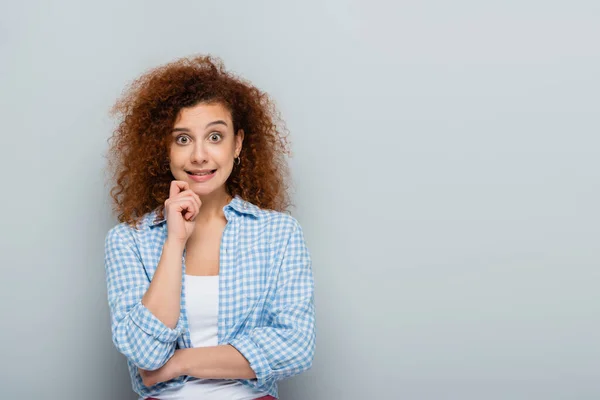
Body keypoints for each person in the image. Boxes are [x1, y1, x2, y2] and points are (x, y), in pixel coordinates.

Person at [103, 54, 315, 400]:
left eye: (215, 137)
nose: (199, 156)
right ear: (165, 150)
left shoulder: (280, 234)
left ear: (238, 144)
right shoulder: (129, 240)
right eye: (183, 139)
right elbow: (145, 354)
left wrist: (181, 362)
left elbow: (296, 346)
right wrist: (174, 241)